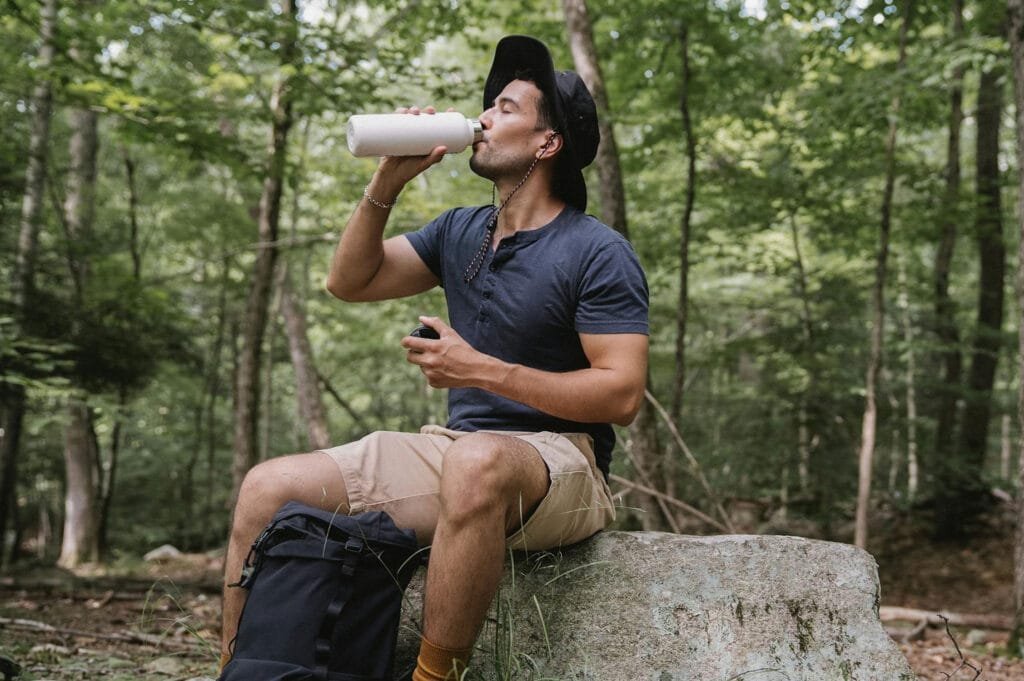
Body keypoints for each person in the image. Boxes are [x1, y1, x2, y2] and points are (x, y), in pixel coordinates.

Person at [220, 34, 649, 680]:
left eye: (505, 108)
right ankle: (230, 665)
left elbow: (622, 395)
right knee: (266, 486)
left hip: (564, 461)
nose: (482, 119)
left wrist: (480, 369)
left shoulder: (595, 251)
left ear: (547, 142)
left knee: (474, 463)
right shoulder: (459, 231)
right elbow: (350, 281)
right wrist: (387, 179)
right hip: (454, 449)